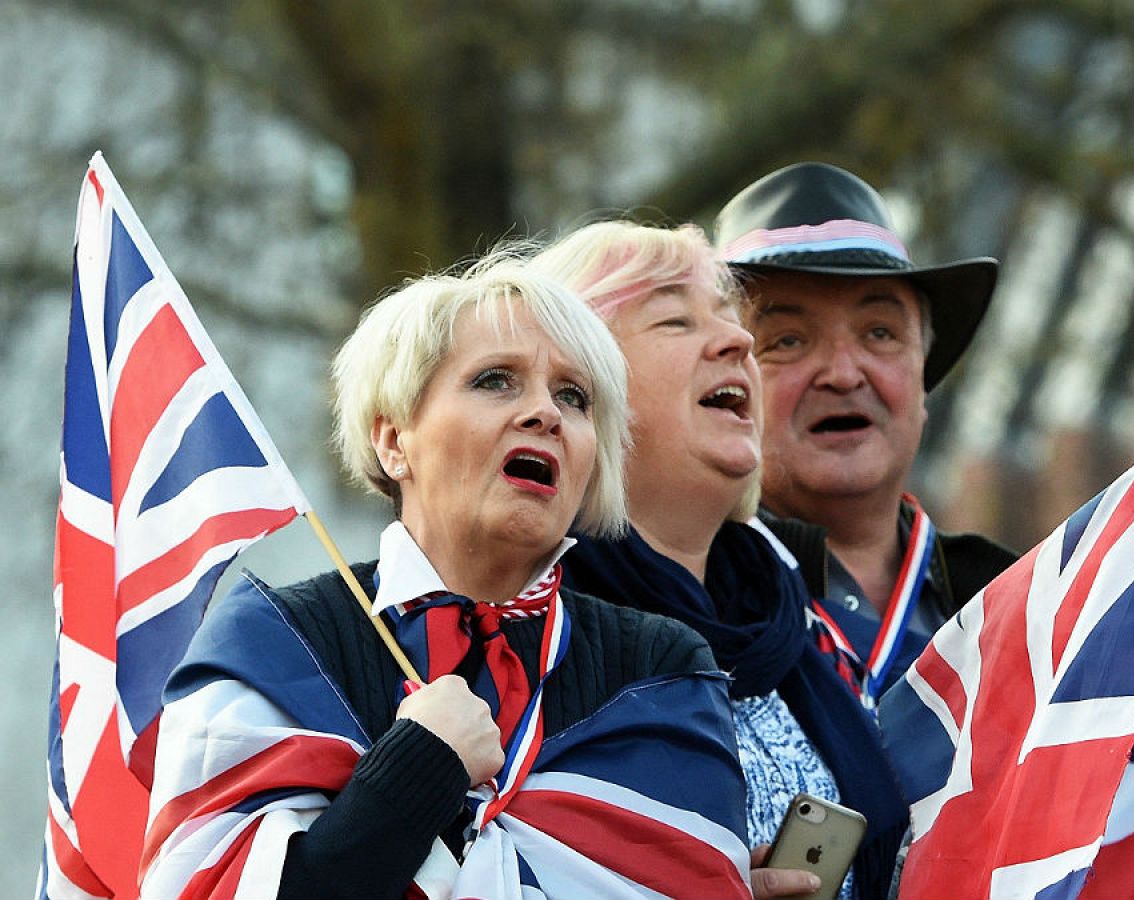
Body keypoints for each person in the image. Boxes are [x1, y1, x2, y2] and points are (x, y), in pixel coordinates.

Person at [716, 161, 1134, 898]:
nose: (843, 371)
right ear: (725, 385)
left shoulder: (1053, 619)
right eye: (787, 341)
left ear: (922, 377)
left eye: (880, 332)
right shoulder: (671, 602)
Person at [140, 252, 749, 899]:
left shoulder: (664, 670)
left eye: (573, 397)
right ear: (394, 441)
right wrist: (419, 764)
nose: (545, 412)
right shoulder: (276, 641)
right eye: (496, 381)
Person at [532, 221, 907, 900]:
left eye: (731, 321)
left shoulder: (803, 624)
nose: (739, 342)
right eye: (676, 321)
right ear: (573, 388)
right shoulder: (525, 641)